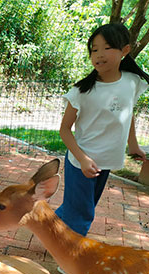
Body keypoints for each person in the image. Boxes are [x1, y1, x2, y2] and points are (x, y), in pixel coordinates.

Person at [56, 23, 149, 238]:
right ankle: (69, 258)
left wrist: (133, 145)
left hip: (105, 161)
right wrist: (83, 159)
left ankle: (47, 225)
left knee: (80, 208)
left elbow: (128, 112)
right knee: (83, 213)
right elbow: (64, 130)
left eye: (107, 48)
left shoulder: (131, 82)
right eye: (94, 49)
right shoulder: (81, 91)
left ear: (125, 50)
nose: (99, 54)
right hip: (81, 162)